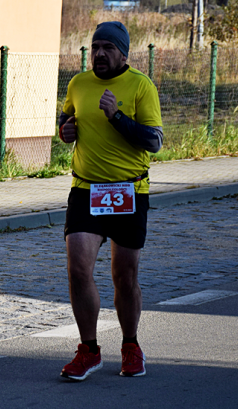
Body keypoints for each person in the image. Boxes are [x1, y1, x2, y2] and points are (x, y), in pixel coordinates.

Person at [57, 21, 163, 381]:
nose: (99, 54)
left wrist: (116, 117)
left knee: (124, 275)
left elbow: (154, 141)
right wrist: (64, 131)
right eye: (95, 47)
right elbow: (67, 115)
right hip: (87, 190)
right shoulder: (78, 83)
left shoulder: (140, 86)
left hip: (129, 192)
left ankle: (130, 345)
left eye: (107, 48)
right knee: (78, 269)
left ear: (123, 53)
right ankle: (89, 350)